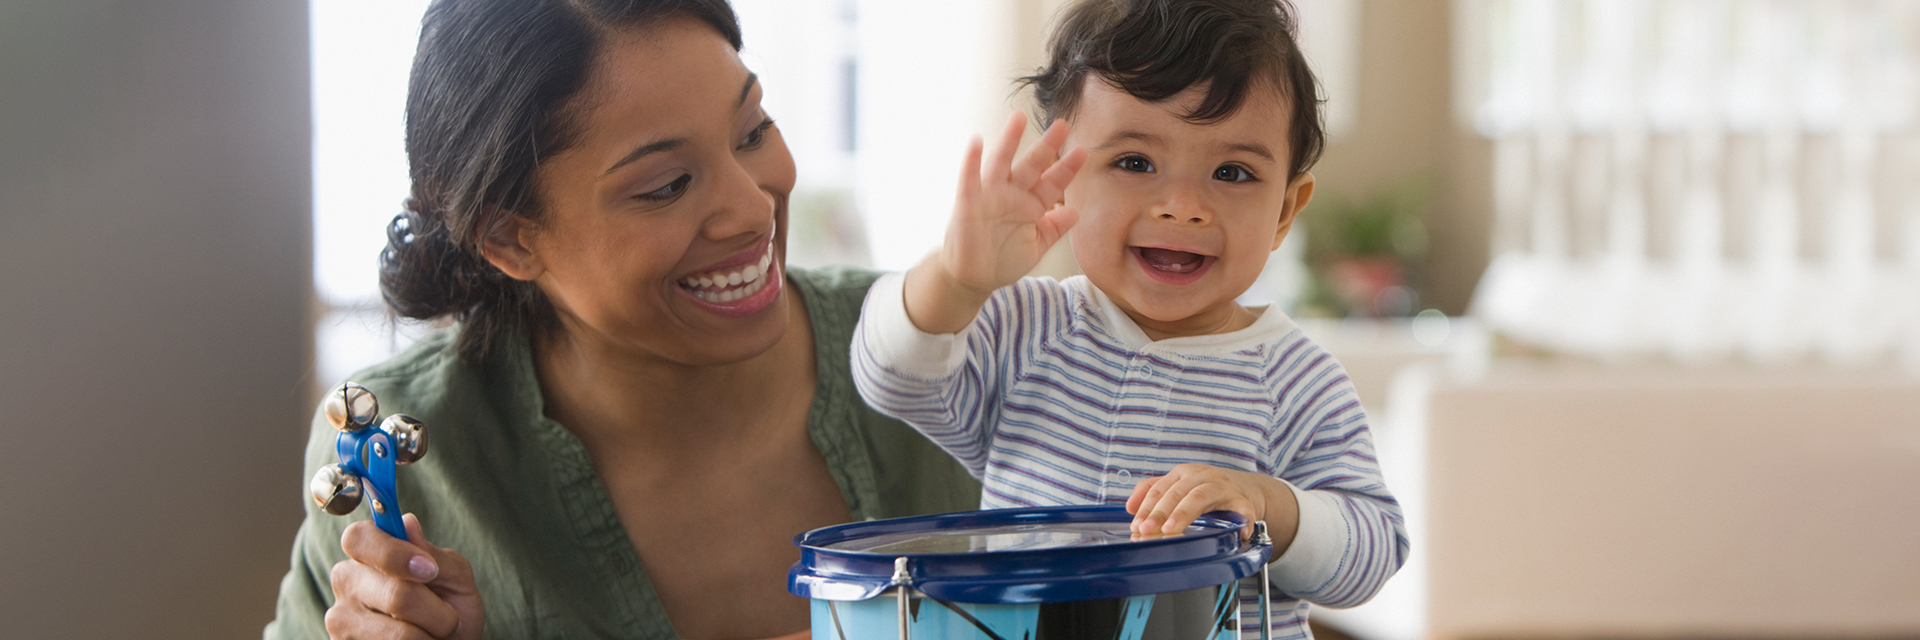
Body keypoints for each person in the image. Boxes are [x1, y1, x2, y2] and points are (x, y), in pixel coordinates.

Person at [264, 1, 980, 638]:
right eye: (666, 185)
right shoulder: (409, 458)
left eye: (753, 130)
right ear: (511, 239)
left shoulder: (953, 347)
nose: (754, 209)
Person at [849, 0, 1408, 635]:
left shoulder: (1297, 380)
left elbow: (1374, 551)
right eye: (1135, 162)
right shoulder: (1025, 328)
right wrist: (953, 280)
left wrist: (1269, 505)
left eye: (1233, 172)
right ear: (1061, 181)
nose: (1183, 206)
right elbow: (888, 375)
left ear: (1285, 209)